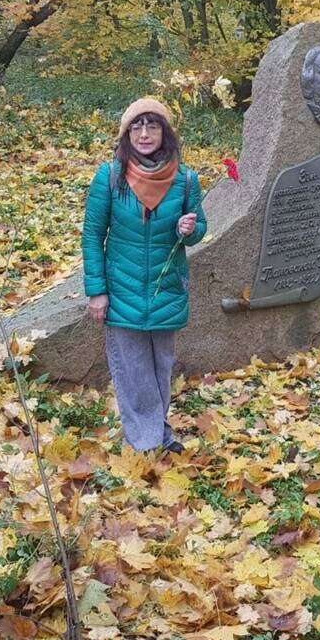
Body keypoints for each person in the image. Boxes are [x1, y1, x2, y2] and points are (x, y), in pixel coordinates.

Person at [82, 98, 207, 453]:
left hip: (166, 288)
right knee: (133, 367)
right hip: (122, 287)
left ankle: (156, 431)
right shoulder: (109, 177)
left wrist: (189, 229)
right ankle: (146, 443)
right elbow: (93, 235)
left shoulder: (185, 180)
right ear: (126, 134)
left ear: (165, 133)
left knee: (160, 367)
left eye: (153, 126)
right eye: (137, 127)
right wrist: (97, 291)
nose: (144, 133)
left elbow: (199, 230)